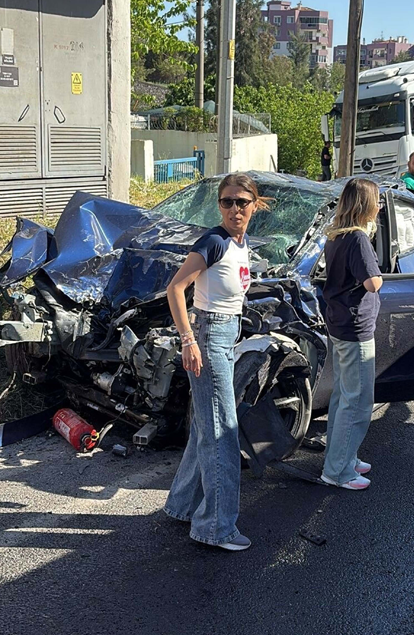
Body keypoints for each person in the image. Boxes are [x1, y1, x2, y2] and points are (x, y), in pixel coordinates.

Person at [161, 173, 266, 552]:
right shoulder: (214, 241)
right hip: (207, 337)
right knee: (223, 431)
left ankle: (182, 506)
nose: (235, 209)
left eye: (242, 202)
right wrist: (188, 341)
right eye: (227, 202)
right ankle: (216, 527)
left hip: (226, 334)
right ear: (218, 205)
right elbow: (175, 289)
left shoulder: (242, 242)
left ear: (255, 204)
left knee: (208, 424)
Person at [319, 178, 385, 490]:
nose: (380, 206)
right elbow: (372, 282)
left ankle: (344, 456)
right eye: (378, 201)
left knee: (344, 396)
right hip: (356, 328)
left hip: (341, 323)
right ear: (366, 206)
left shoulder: (336, 236)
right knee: (357, 400)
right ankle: (338, 470)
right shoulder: (358, 238)